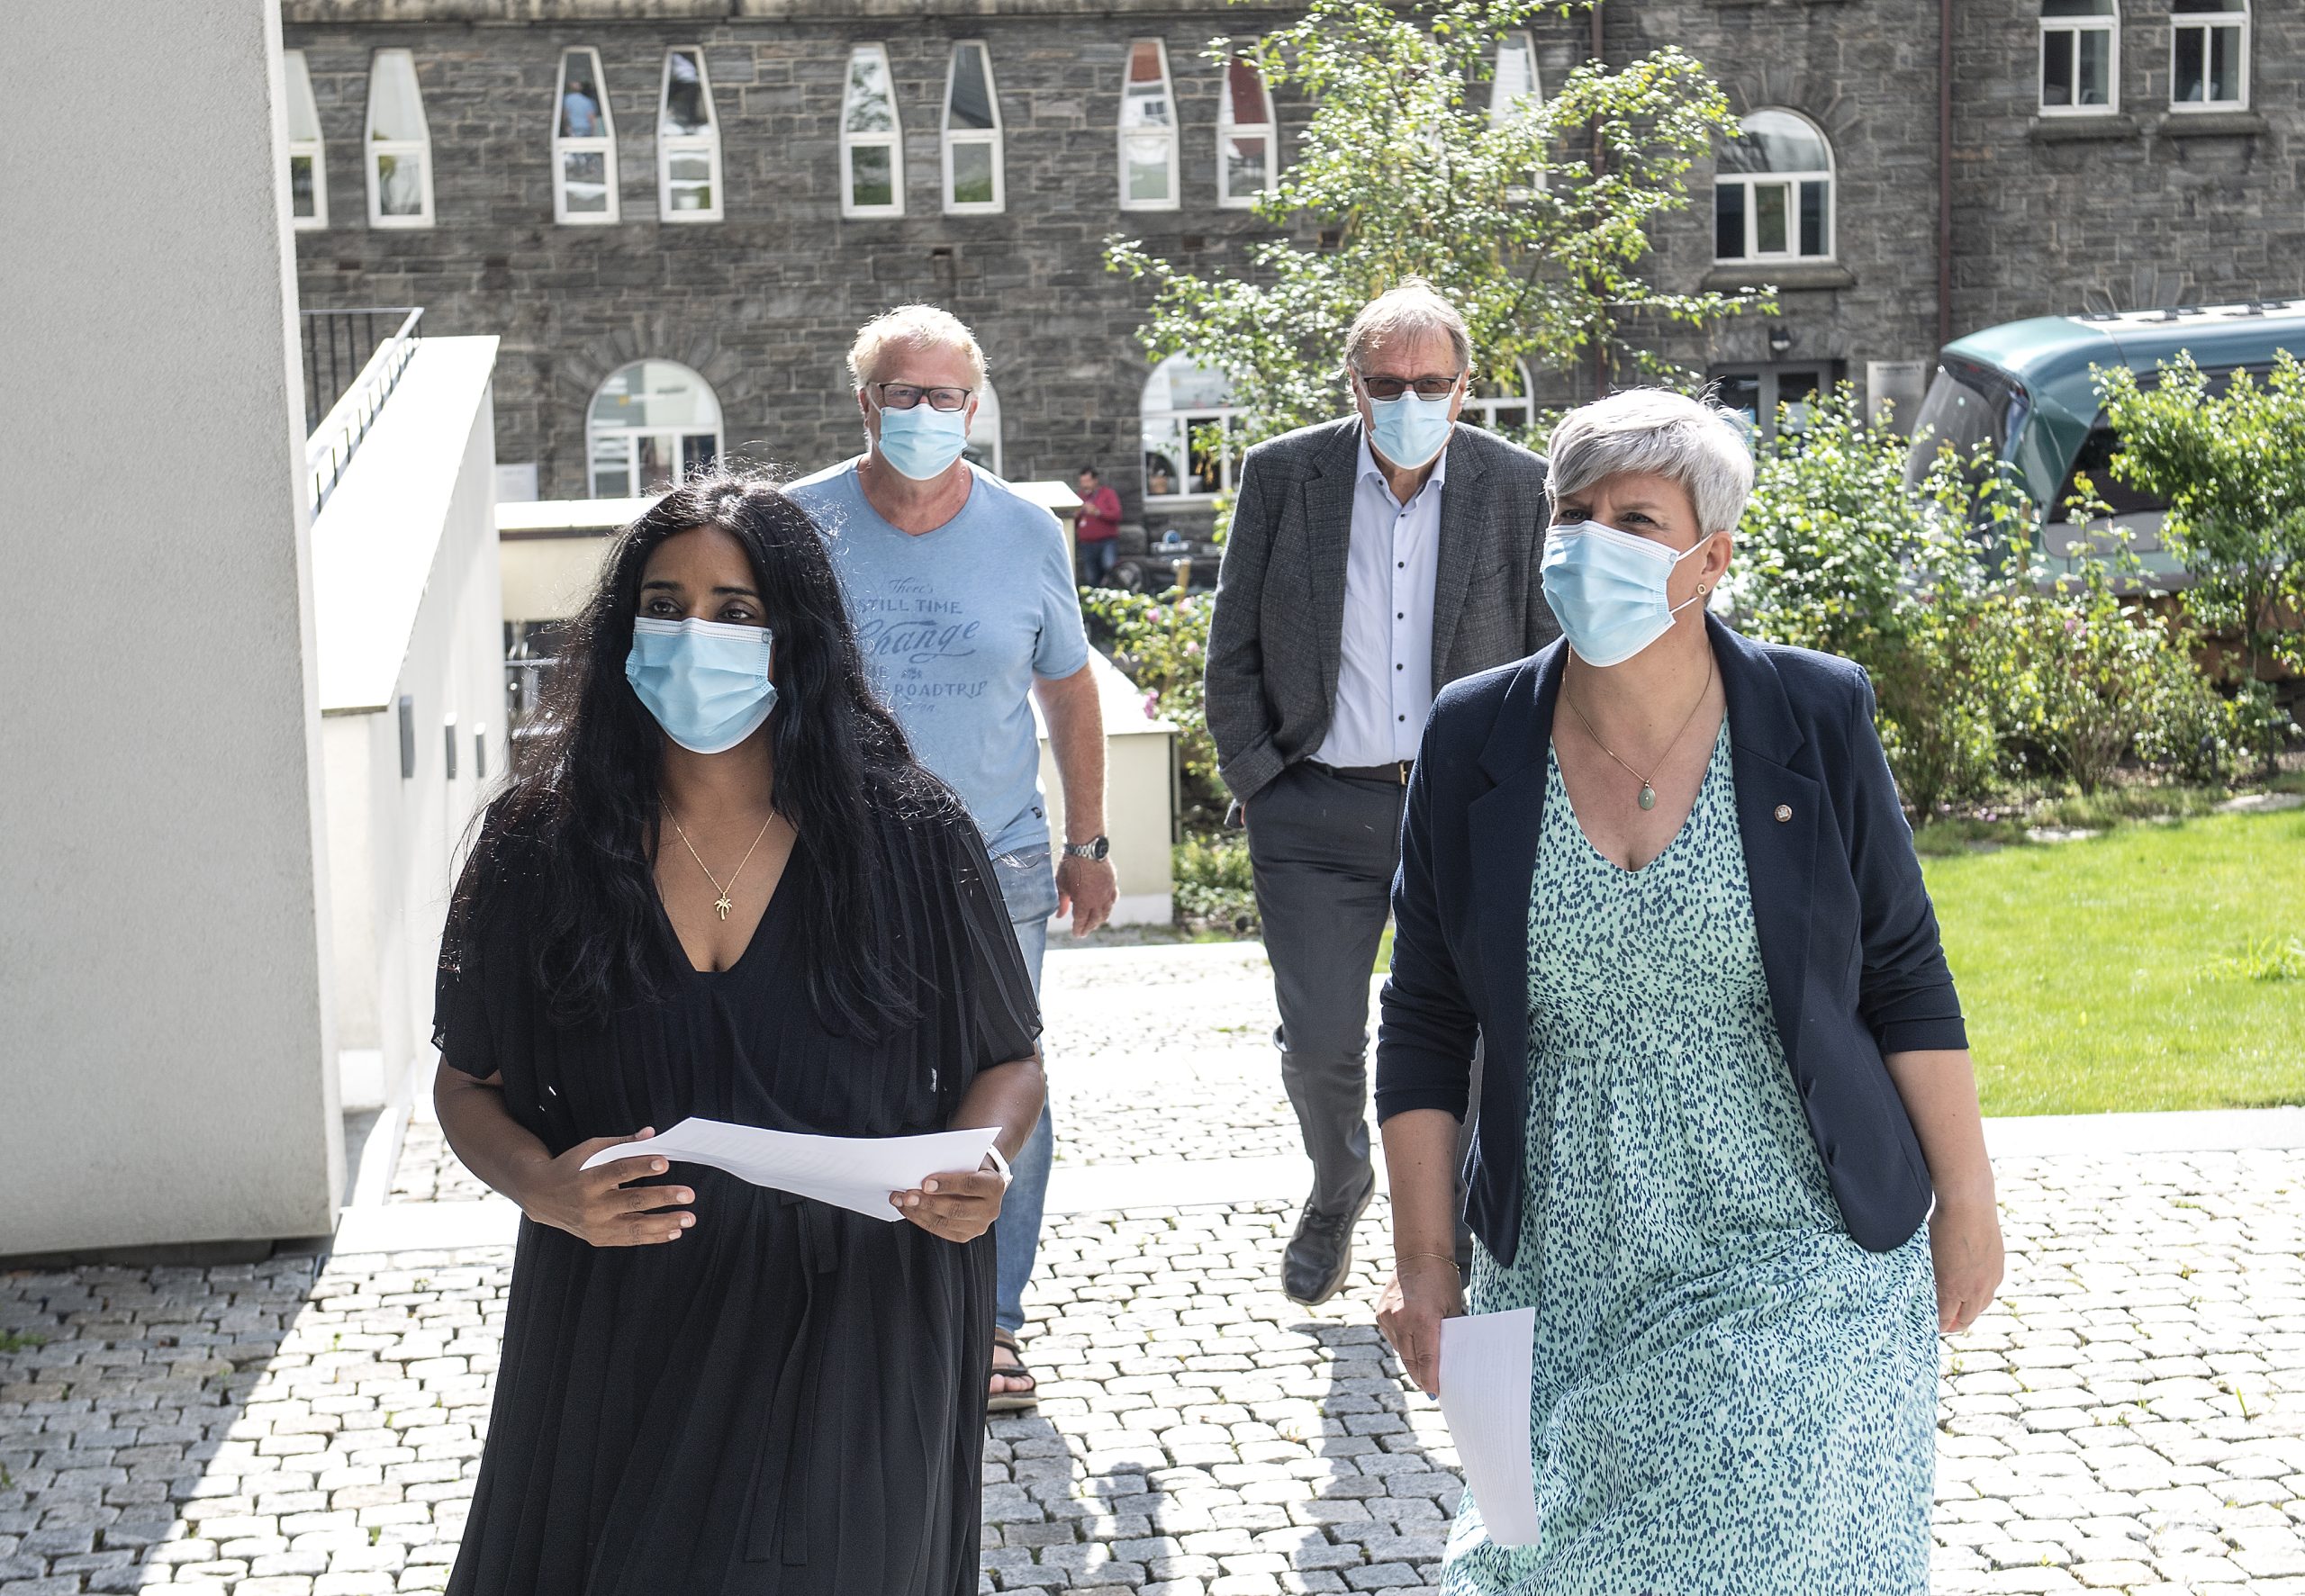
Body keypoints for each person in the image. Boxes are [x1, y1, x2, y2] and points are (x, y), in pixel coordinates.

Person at [1373, 389, 2005, 1591]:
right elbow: (1424, 1016)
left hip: (1798, 1244)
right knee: (1546, 1567)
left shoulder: (1814, 715)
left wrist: (1967, 1202)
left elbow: (1906, 971)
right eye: (1574, 511)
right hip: (1564, 1255)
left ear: (1710, 557)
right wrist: (1427, 1264)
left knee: (1760, 1535)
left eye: (1635, 518)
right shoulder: (1476, 736)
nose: (1590, 540)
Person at [430, 475, 1044, 1594]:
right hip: (620, 1315)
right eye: (662, 606)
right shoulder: (536, 849)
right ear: (620, 630)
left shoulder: (911, 834)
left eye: (735, 611)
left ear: (793, 637)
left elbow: (1009, 1060)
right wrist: (542, 1188)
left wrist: (981, 1163)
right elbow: (467, 1083)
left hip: (863, 1315)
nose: (692, 635)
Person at [787, 304, 1117, 1411]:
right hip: (836, 861)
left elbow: (1067, 688)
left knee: (1000, 1085)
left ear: (973, 409)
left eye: (945, 396)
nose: (924, 414)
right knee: (841, 1075)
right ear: (864, 403)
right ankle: (851, 1306)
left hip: (997, 862)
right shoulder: (797, 527)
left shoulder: (1027, 531)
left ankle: (988, 1321)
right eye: (901, 393)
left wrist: (1087, 842)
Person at [1203, 278, 1558, 1305]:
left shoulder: (1516, 485)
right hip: (1315, 809)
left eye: (1432, 381)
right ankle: (1338, 1179)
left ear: (1464, 386)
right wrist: (1261, 780)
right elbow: (1234, 649)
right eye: (1388, 381)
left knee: (1486, 1033)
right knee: (1318, 1042)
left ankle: (1450, 1228)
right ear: (1353, 384)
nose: (1410, 399)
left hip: (1467, 814)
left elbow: (1548, 657)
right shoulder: (1285, 476)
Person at [1073, 464, 1123, 586]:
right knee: (1091, 575)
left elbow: (1116, 515)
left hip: (1106, 541)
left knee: (1110, 568)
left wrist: (1098, 512)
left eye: (1088, 481)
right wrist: (1077, 514)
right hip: (1087, 543)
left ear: (1095, 480)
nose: (1085, 485)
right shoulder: (1079, 497)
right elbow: (1073, 523)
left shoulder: (1107, 494)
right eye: (1082, 482)